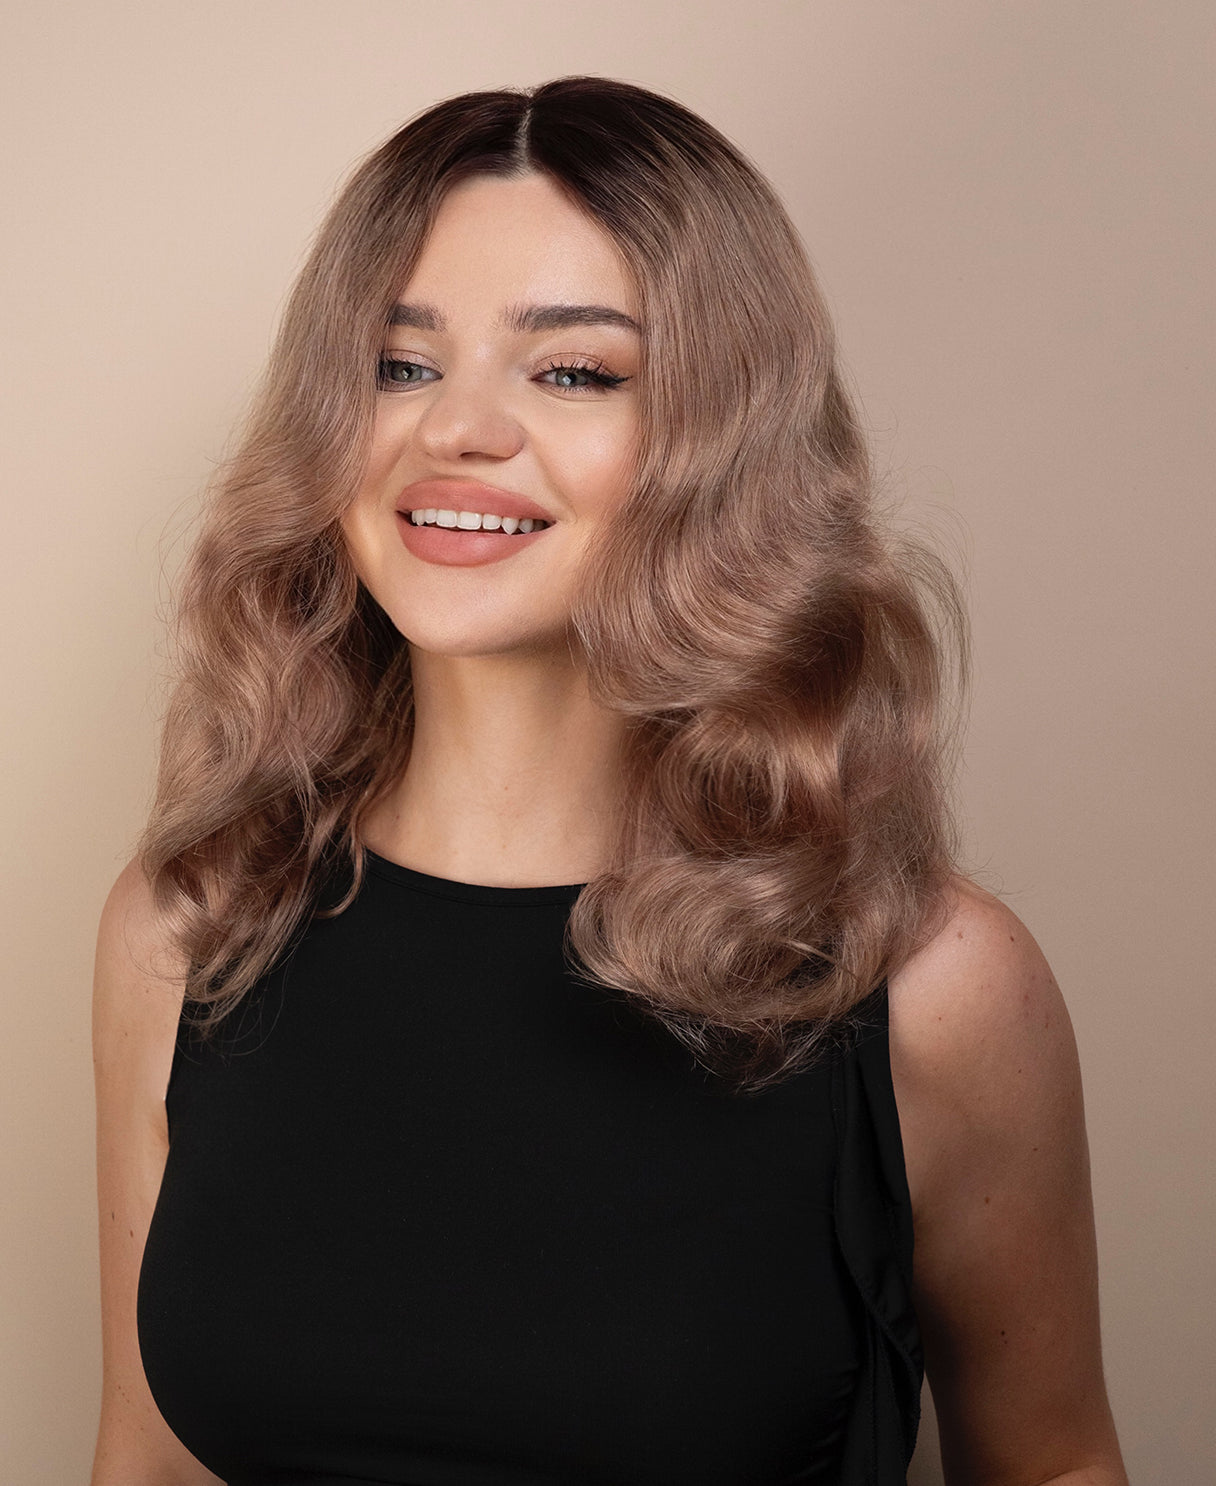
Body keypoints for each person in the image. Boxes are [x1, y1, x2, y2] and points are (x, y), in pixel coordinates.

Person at [91, 76, 1128, 1486]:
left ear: (725, 444)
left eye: (573, 370)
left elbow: (1054, 1461)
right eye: (400, 365)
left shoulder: (931, 985)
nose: (456, 428)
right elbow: (147, 1460)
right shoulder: (193, 924)